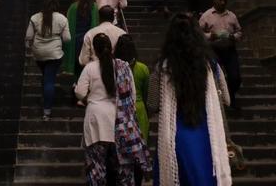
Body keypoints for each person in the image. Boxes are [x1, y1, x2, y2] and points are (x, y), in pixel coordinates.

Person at [148, 13, 232, 186]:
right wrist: (226, 136)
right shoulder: (211, 65)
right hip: (206, 135)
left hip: (175, 135)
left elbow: (152, 104)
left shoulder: (161, 67)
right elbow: (226, 100)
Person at [75, 33, 148, 186]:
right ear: (111, 47)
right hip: (119, 121)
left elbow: (79, 92)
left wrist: (89, 98)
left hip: (95, 120)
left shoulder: (90, 68)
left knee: (96, 167)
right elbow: (132, 95)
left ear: (94, 49)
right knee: (122, 168)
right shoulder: (124, 66)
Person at [26, 0, 71, 120]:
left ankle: (44, 96)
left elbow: (28, 36)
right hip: (54, 54)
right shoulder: (62, 19)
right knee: (50, 80)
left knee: (46, 76)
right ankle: (47, 111)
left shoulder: (35, 18)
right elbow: (67, 39)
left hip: (39, 53)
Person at [115, 34, 151, 184]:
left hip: (118, 112)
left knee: (120, 154)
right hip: (139, 110)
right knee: (139, 151)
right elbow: (147, 92)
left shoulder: (113, 68)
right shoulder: (143, 68)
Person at [199, 0, 242, 110]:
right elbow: (198, 33)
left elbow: (239, 31)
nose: (222, 2)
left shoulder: (232, 16)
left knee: (235, 77)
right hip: (213, 50)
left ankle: (230, 96)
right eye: (220, 0)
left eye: (225, 0)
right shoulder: (206, 16)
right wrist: (211, 36)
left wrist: (234, 37)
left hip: (229, 49)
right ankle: (216, 102)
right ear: (214, 0)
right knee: (214, 77)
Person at [63, 0, 99, 76]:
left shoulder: (73, 7)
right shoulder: (93, 7)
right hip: (87, 38)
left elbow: (67, 22)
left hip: (74, 39)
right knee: (85, 63)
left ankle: (76, 83)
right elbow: (94, 24)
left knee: (76, 62)